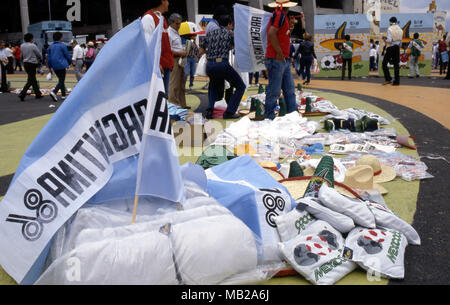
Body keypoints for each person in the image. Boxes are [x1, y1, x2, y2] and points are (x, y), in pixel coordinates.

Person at [200, 14, 245, 119]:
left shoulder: (210, 33)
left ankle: (210, 111)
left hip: (210, 65)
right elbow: (236, 46)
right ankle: (229, 112)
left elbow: (201, 50)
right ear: (229, 24)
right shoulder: (230, 34)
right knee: (240, 86)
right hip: (222, 64)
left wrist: (212, 52)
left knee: (212, 87)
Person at [264, 0, 299, 120]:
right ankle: (269, 117)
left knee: (288, 90)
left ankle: (293, 115)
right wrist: (279, 52)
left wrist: (291, 27)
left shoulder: (280, 16)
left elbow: (279, 35)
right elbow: (271, 33)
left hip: (282, 58)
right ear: (286, 7)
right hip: (277, 58)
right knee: (276, 91)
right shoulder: (280, 15)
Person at [142, 0, 174, 98]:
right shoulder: (148, 18)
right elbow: (147, 43)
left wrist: (170, 61)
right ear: (162, 1)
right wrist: (155, 63)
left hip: (165, 64)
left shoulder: (162, 18)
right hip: (158, 66)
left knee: (163, 97)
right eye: (167, 1)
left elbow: (165, 43)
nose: (168, 3)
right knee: (157, 98)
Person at [168, 13, 189, 109]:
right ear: (171, 23)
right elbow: (168, 51)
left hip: (180, 59)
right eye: (177, 24)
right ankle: (174, 105)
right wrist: (181, 53)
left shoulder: (175, 32)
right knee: (174, 84)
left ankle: (182, 104)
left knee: (181, 84)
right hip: (174, 60)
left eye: (180, 23)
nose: (179, 26)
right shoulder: (169, 33)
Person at [18, 33, 44, 101]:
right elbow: (38, 54)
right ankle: (22, 93)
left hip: (25, 63)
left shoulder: (22, 45)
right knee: (31, 79)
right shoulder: (33, 45)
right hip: (32, 63)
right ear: (31, 39)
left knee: (32, 79)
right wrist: (40, 58)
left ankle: (38, 94)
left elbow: (21, 55)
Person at [47, 32, 72, 102]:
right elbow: (67, 55)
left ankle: (63, 95)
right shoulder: (62, 45)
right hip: (61, 65)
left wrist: (49, 68)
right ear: (60, 38)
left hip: (54, 66)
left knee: (61, 79)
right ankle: (54, 92)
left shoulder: (50, 47)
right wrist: (70, 63)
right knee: (61, 80)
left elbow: (48, 58)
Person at [382, 16, 402, 86]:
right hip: (397, 47)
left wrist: (384, 39)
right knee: (396, 65)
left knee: (384, 63)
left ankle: (388, 79)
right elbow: (400, 41)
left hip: (391, 47)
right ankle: (397, 81)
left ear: (390, 22)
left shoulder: (389, 29)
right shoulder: (400, 29)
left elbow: (389, 40)